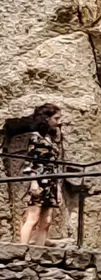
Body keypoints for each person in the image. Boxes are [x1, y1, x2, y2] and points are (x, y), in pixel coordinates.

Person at [17, 103, 64, 245]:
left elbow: (55, 165)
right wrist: (33, 182)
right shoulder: (35, 138)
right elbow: (30, 161)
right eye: (56, 118)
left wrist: (58, 189)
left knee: (47, 220)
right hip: (39, 179)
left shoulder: (51, 138)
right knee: (33, 217)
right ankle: (22, 249)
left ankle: (40, 250)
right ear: (46, 119)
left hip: (51, 182)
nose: (59, 122)